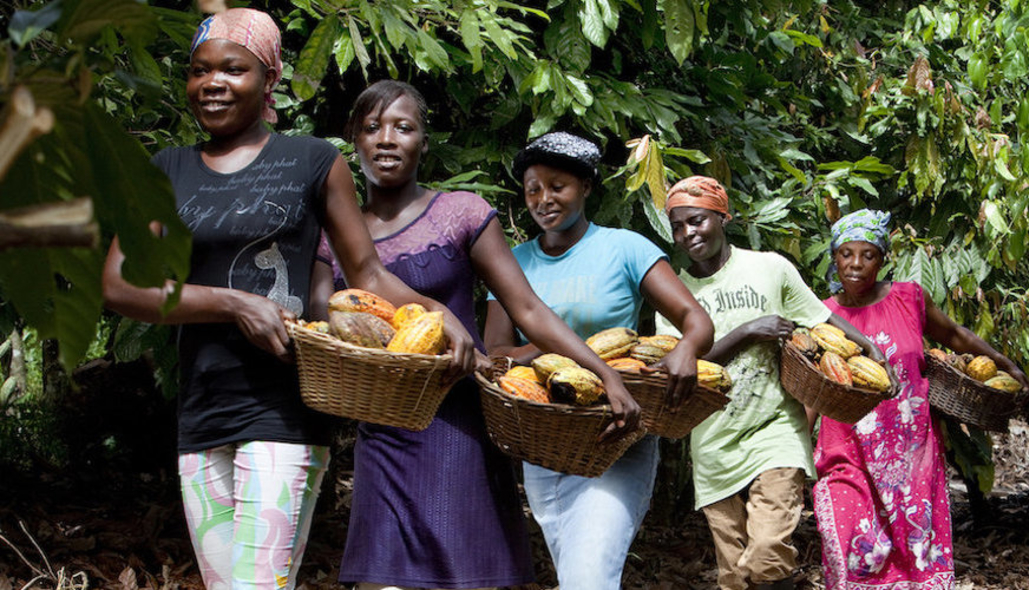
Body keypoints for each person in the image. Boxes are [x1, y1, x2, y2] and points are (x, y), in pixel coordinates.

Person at [101, 12, 475, 589]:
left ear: (269, 78)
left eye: (233, 68)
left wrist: (439, 315)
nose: (213, 83)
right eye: (200, 71)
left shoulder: (312, 161)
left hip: (285, 409)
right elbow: (121, 285)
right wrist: (233, 303)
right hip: (201, 409)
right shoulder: (165, 170)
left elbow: (367, 272)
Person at [309, 82, 647, 590]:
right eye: (372, 127)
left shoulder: (461, 212)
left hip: (458, 428)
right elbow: (321, 319)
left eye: (403, 127)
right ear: (353, 141)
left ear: (424, 142)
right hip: (383, 435)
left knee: (468, 578)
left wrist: (604, 374)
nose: (386, 139)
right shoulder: (333, 234)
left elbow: (529, 309)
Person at [482, 132, 714, 590]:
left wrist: (685, 349)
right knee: (579, 578)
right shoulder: (513, 263)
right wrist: (563, 350)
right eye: (533, 189)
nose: (544, 199)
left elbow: (695, 320)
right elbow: (497, 356)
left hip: (616, 433)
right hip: (546, 443)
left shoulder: (625, 248)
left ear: (586, 187)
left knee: (588, 577)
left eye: (557, 186)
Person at [657, 176, 889, 590]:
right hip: (713, 441)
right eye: (678, 226)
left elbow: (818, 317)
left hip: (775, 427)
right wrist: (745, 332)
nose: (687, 233)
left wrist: (867, 346)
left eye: (697, 221)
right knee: (735, 575)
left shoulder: (769, 268)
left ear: (722, 216)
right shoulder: (672, 291)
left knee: (767, 552)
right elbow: (682, 368)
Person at [813, 209, 1029, 589]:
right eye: (847, 253)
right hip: (846, 451)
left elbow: (956, 336)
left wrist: (1006, 365)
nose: (856, 265)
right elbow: (815, 386)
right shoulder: (824, 314)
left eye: (868, 255)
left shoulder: (908, 298)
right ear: (834, 256)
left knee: (914, 558)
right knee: (852, 548)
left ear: (882, 259)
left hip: (909, 452)